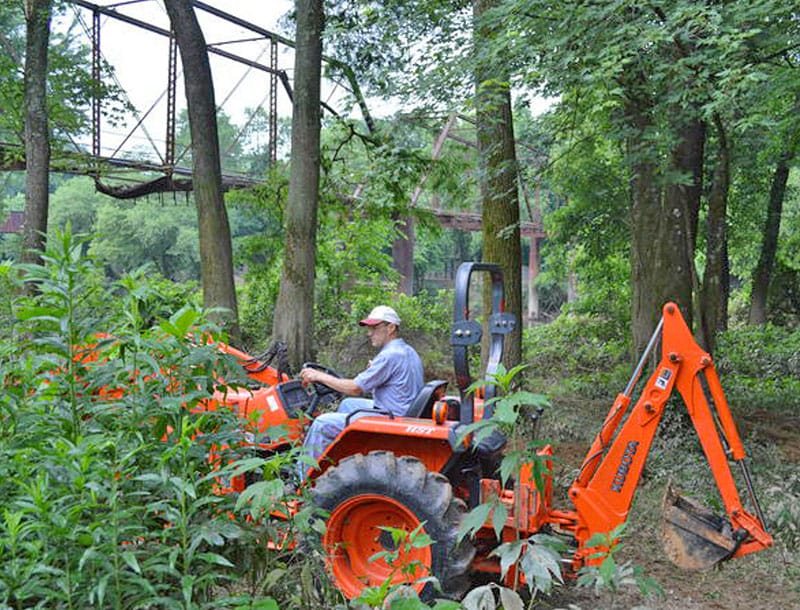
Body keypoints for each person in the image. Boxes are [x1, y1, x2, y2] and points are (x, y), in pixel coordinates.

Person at [297, 305, 424, 480]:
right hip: (403, 410)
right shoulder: (407, 351)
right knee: (347, 404)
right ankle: (341, 462)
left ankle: (302, 480)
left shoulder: (390, 355)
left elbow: (355, 388)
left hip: (392, 417)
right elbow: (390, 380)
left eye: (374, 328)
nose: (369, 333)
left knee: (321, 424)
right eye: (369, 328)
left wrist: (319, 376)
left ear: (391, 327)